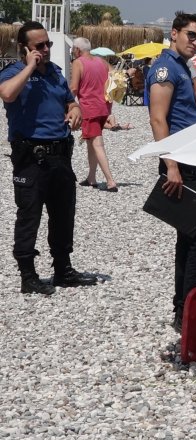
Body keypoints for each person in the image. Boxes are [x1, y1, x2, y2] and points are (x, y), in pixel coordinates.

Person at [0, 21, 98, 295]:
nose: (46, 49)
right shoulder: (14, 72)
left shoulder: (55, 73)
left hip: (60, 154)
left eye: (48, 44)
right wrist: (30, 66)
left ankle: (63, 269)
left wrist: (74, 108)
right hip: (31, 157)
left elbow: (69, 99)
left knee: (63, 214)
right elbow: (6, 94)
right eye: (39, 45)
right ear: (24, 48)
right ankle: (28, 275)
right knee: (29, 215)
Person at [147, 11, 196, 332]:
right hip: (182, 164)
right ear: (174, 33)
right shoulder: (165, 68)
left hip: (192, 161)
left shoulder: (180, 68)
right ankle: (192, 311)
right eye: (191, 35)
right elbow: (158, 119)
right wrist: (171, 164)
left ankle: (184, 310)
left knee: (190, 238)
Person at [69, 37, 118, 192]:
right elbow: (115, 75)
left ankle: (110, 181)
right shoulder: (101, 61)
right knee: (91, 143)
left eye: (73, 50)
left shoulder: (78, 63)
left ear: (77, 49)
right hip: (104, 107)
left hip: (90, 109)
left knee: (97, 143)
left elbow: (74, 88)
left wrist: (67, 105)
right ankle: (91, 177)